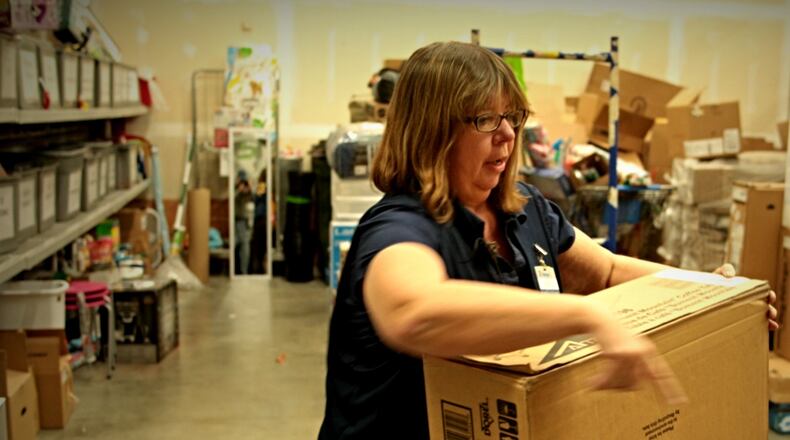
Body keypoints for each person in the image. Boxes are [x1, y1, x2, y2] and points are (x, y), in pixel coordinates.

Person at [318, 41, 777, 440]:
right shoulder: (399, 226)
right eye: (485, 119)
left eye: (512, 116)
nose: (507, 134)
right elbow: (412, 313)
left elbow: (607, 271)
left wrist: (713, 293)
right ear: (432, 131)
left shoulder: (524, 208)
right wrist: (584, 316)